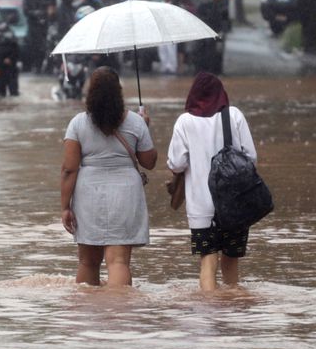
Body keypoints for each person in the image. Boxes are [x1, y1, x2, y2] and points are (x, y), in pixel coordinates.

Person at [60, 67, 156, 288]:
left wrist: (65, 206)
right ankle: (119, 315)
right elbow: (149, 162)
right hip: (125, 192)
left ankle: (88, 315)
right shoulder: (135, 122)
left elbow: (69, 169)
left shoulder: (78, 123)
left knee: (88, 262)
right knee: (119, 261)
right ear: (119, 92)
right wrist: (145, 127)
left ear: (90, 92)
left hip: (88, 194)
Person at [166, 72, 256, 292]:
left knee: (208, 260)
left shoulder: (184, 122)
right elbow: (251, 158)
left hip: (200, 207)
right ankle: (231, 310)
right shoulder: (234, 116)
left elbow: (176, 163)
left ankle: (209, 314)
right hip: (234, 204)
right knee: (231, 259)